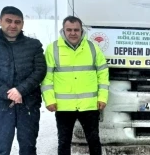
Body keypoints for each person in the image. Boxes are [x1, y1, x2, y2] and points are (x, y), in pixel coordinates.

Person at [41, 16, 109, 155]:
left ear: (81, 30)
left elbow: (103, 74)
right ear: (63, 30)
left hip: (89, 105)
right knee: (64, 142)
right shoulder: (52, 49)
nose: (73, 33)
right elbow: (46, 78)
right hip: (63, 106)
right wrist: (49, 100)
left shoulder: (92, 48)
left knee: (94, 140)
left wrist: (102, 97)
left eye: (76, 30)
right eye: (69, 30)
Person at [0, 6, 47, 155]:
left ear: (22, 24)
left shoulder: (34, 45)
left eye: (17, 22)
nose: (13, 25)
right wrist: (8, 94)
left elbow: (40, 70)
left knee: (28, 148)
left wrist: (20, 90)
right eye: (8, 21)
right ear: (0, 21)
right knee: (0, 149)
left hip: (28, 105)